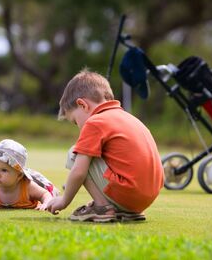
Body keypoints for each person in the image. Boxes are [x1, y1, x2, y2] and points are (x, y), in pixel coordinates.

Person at [46, 69, 164, 222]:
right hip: (145, 199)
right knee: (87, 153)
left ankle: (102, 207)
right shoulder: (129, 118)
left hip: (128, 193)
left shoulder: (95, 122)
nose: (78, 126)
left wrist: (64, 201)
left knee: (74, 153)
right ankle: (121, 208)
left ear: (82, 105)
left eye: (75, 121)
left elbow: (79, 171)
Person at [0, 139, 59, 210]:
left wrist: (46, 203)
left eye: (4, 170)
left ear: (19, 175)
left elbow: (44, 194)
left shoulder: (27, 186)